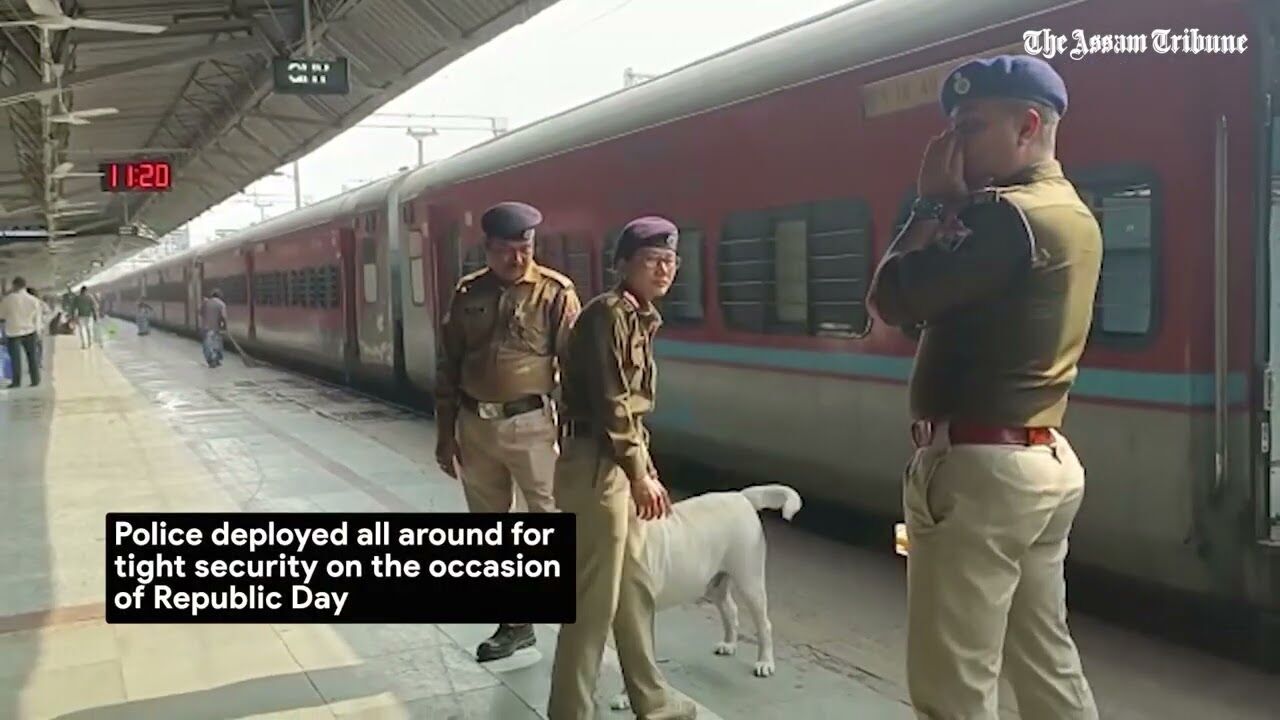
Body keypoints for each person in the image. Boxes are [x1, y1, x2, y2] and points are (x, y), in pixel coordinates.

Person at [866, 55, 1101, 719]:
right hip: (1040, 459)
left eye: (968, 126)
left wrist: (928, 204)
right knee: (1045, 662)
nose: (951, 147)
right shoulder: (1069, 210)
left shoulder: (1005, 217)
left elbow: (891, 295)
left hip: (978, 471)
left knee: (952, 685)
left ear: (1028, 125)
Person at [547, 216, 695, 720]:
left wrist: (641, 465)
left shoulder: (638, 316)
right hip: (596, 468)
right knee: (592, 601)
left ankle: (650, 700)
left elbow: (629, 410)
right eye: (653, 260)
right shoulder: (607, 315)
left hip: (614, 462)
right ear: (623, 264)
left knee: (631, 592)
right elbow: (613, 403)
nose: (664, 269)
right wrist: (639, 474)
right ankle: (570, 711)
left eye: (671, 260)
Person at [434, 200, 581, 662]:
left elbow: (575, 369)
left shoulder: (556, 293)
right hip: (475, 424)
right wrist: (444, 432)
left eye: (525, 249)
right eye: (506, 251)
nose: (517, 259)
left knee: (552, 519)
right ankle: (515, 625)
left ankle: (578, 618)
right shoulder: (467, 293)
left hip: (532, 424)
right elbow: (449, 365)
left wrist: (577, 435)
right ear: (487, 248)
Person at [0, 277, 44, 388]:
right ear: (24, 285)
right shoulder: (34, 300)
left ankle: (16, 382)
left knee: (15, 359)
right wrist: (38, 332)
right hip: (30, 331)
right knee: (32, 357)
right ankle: (35, 380)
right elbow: (37, 318)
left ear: (14, 285)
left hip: (13, 332)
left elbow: (2, 315)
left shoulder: (8, 299)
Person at [199, 289, 227, 367]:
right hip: (216, 328)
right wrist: (224, 327)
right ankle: (217, 359)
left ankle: (210, 360)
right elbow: (223, 317)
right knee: (217, 344)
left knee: (207, 345)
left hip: (206, 328)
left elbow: (201, 313)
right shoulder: (222, 304)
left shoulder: (206, 303)